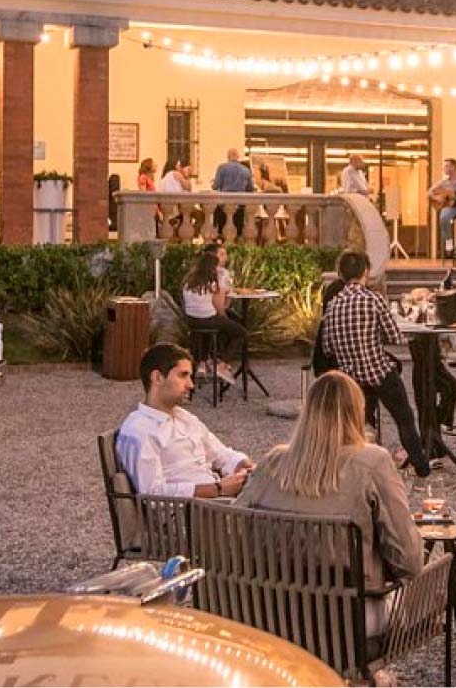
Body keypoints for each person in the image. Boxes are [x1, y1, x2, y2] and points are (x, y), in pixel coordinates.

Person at [236, 371, 424, 634]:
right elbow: (409, 563)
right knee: (433, 587)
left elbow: (236, 528)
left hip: (271, 610)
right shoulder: (373, 461)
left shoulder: (272, 461)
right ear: (357, 411)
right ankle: (360, 672)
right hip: (346, 618)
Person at [320, 250, 431, 477]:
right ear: (366, 272)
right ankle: (421, 467)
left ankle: (361, 469)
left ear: (341, 273)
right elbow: (394, 336)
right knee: (404, 417)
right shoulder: (373, 299)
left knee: (360, 424)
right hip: (378, 371)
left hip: (350, 378)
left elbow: (328, 347)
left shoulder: (333, 305)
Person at [116, 343, 252, 498]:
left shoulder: (185, 418)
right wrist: (217, 489)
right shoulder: (140, 430)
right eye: (183, 375)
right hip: (190, 514)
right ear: (157, 378)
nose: (191, 385)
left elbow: (221, 454)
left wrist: (247, 467)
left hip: (217, 503)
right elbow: (153, 494)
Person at [181, 248, 243, 387]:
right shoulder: (212, 283)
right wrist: (225, 315)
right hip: (208, 319)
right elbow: (219, 307)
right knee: (240, 332)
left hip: (192, 322)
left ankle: (202, 363)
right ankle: (223, 364)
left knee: (209, 328)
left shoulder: (187, 282)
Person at [210, 149, 254, 237]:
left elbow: (215, 186)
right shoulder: (246, 170)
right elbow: (250, 189)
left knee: (223, 232)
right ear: (238, 157)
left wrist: (213, 183)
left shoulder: (222, 168)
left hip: (224, 205)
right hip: (240, 205)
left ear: (228, 157)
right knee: (238, 232)